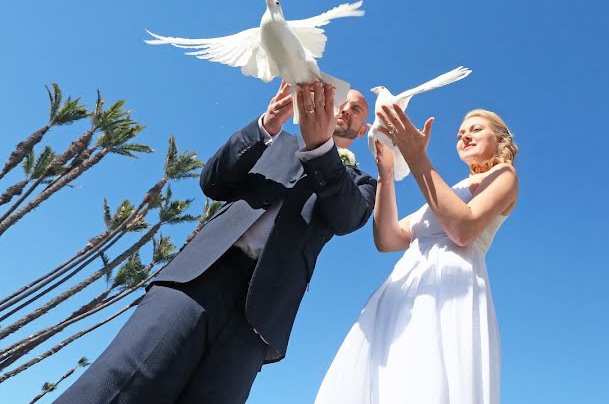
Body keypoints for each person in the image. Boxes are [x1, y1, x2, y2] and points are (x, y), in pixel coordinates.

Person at [58, 80, 376, 404]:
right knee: (117, 385)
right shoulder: (276, 141)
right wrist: (267, 124)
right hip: (200, 278)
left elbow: (347, 217)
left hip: (260, 317)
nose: (346, 109)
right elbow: (212, 181)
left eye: (357, 109)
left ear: (362, 129)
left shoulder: (361, 183)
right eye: (344, 102)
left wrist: (321, 149)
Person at [313, 104, 519, 404]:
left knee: (425, 382)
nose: (465, 136)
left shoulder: (504, 175)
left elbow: (462, 228)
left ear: (500, 139)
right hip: (403, 292)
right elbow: (388, 238)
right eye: (461, 133)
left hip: (448, 291)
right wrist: (385, 174)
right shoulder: (449, 191)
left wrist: (416, 156)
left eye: (476, 129)